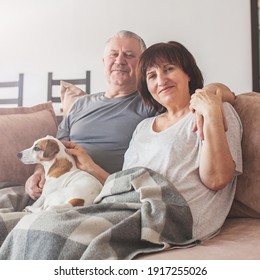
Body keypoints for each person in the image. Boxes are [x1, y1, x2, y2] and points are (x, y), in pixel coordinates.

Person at [25, 30, 235, 203]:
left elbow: (205, 95)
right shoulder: (80, 105)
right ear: (104, 60)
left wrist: (210, 96)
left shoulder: (151, 101)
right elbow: (50, 146)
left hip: (97, 190)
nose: (120, 60)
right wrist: (38, 174)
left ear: (142, 66)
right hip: (57, 186)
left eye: (129, 55)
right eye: (114, 54)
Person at [63, 41, 243, 241]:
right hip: (131, 209)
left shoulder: (216, 110)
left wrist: (210, 112)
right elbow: (126, 188)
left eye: (169, 69)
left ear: (188, 73)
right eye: (152, 76)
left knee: (61, 233)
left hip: (176, 220)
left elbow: (217, 179)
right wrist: (90, 167)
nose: (161, 80)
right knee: (50, 222)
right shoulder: (143, 127)